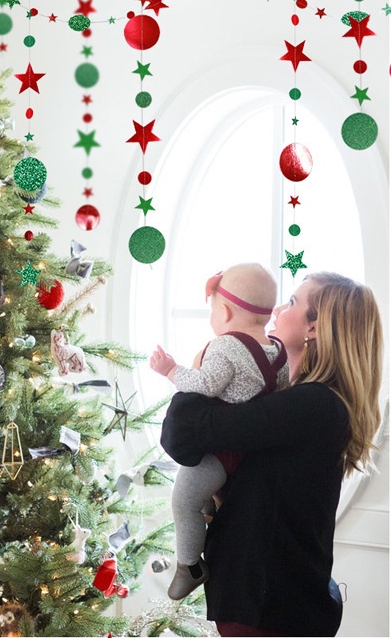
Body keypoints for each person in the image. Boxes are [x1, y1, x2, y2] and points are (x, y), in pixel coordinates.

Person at [160, 272, 383, 636]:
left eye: (293, 302)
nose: (277, 310)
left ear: (315, 328)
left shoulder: (311, 405)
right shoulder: (305, 403)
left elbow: (183, 431)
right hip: (275, 599)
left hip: (271, 606)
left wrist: (202, 364)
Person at [149, 263, 289, 600]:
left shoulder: (226, 347)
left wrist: (170, 370)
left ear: (224, 311)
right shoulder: (278, 352)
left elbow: (206, 384)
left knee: (183, 500)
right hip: (254, 454)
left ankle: (190, 566)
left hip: (218, 453)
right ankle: (211, 511)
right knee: (203, 500)